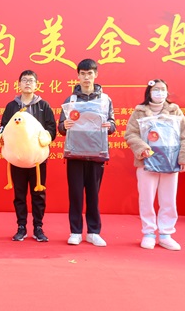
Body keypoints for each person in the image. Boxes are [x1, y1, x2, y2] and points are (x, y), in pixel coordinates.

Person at [124, 79, 185, 250]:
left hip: (170, 160)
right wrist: (142, 148)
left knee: (168, 199)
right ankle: (148, 233)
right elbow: (131, 133)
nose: (159, 92)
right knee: (146, 198)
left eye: (163, 89)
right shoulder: (139, 111)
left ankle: (165, 234)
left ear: (167, 92)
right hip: (147, 160)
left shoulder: (174, 110)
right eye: (156, 89)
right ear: (149, 92)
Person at [58, 59, 116, 247]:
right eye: (82, 74)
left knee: (93, 195)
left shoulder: (105, 100)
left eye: (90, 73)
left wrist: (109, 126)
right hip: (74, 153)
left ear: (95, 75)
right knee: (75, 194)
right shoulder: (70, 100)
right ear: (78, 76)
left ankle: (93, 232)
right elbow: (61, 128)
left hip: (97, 153)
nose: (86, 77)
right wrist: (64, 125)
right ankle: (75, 231)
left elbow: (113, 124)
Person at [0, 70, 56, 242]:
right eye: (24, 80)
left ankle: (38, 227)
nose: (28, 83)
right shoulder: (12, 106)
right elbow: (3, 127)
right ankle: (21, 227)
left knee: (39, 194)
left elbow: (51, 128)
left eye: (31, 80)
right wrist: (2, 137)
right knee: (19, 194)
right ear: (19, 84)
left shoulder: (43, 106)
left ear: (36, 84)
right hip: (17, 159)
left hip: (38, 159)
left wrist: (46, 137)